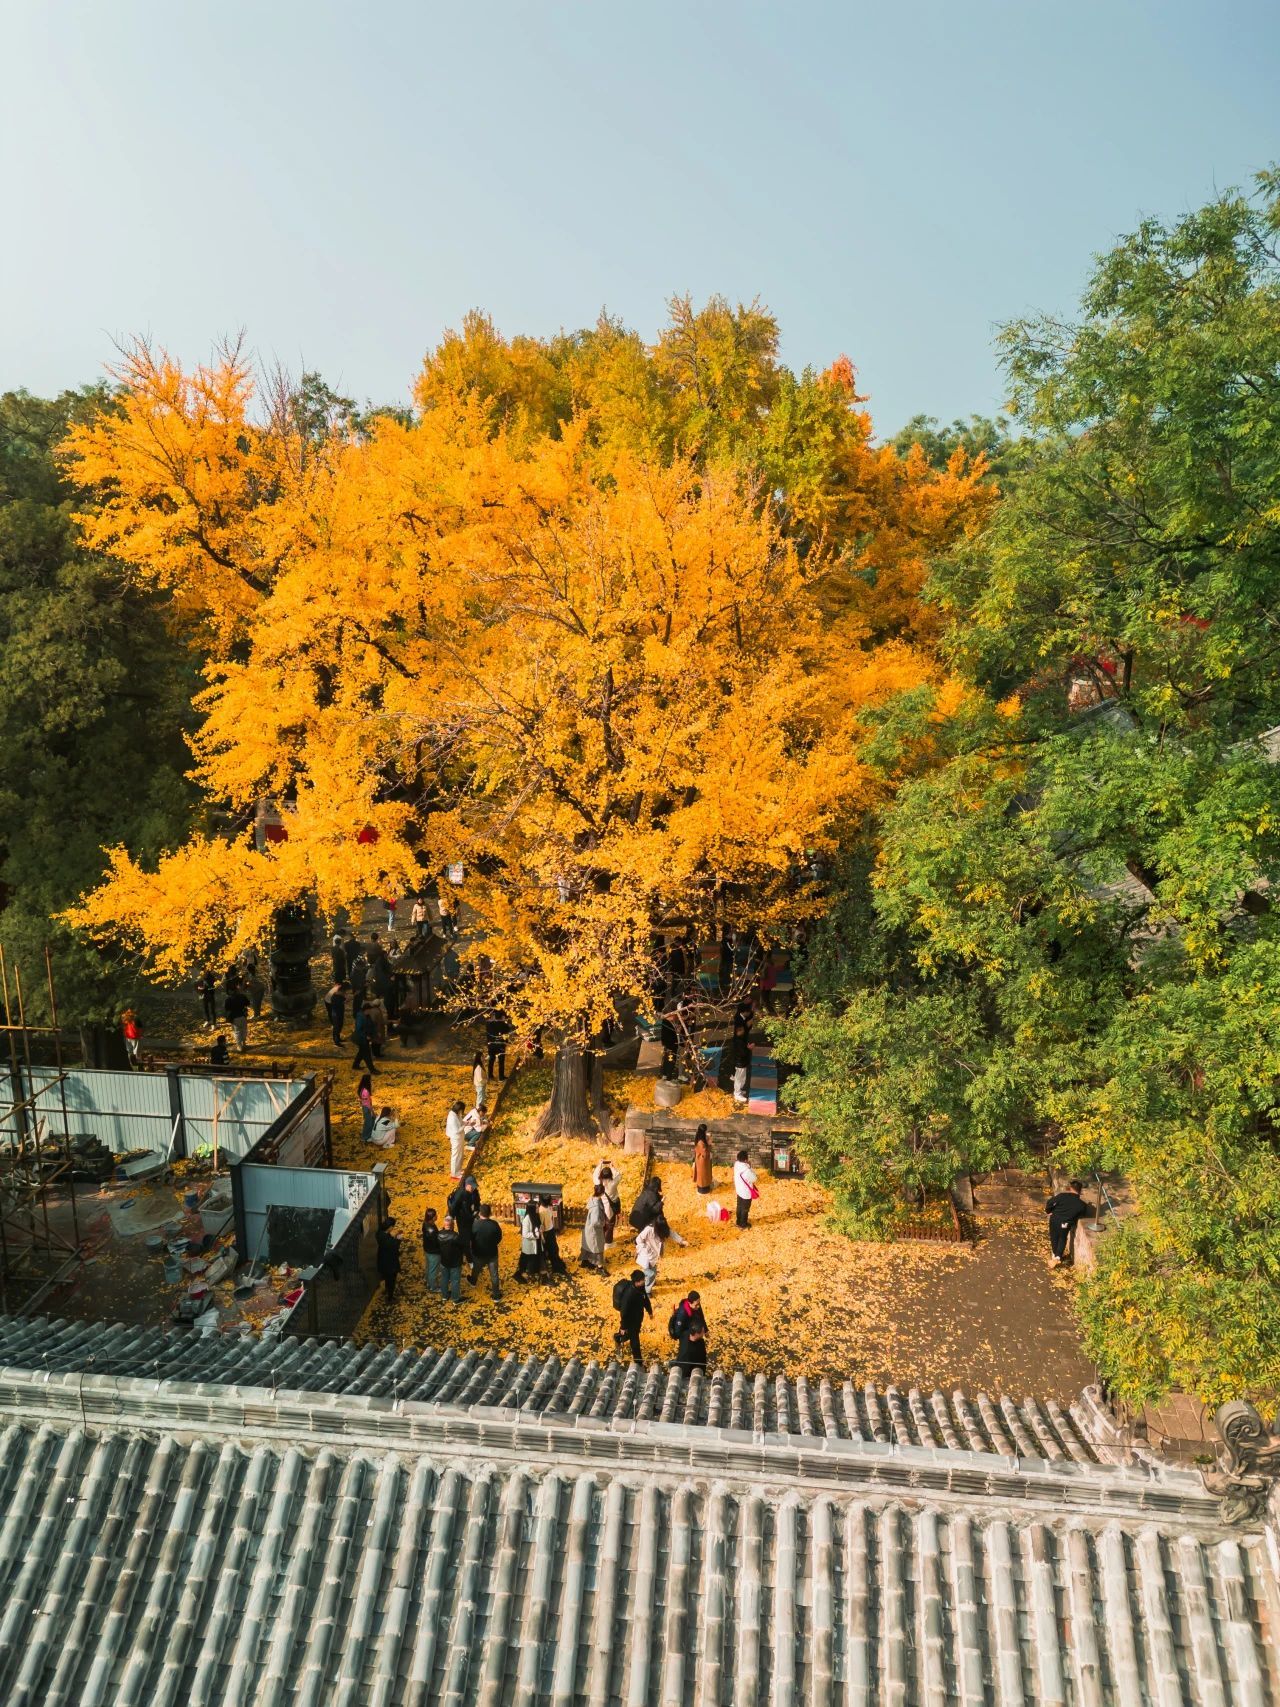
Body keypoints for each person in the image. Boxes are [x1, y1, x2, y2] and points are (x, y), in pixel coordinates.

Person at [1045, 1180, 1092, 1266]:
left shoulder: (1062, 1196)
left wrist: (1049, 1211)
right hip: (1065, 1223)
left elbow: (1050, 1202)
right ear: (1080, 1191)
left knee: (1054, 1237)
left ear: (1070, 1188)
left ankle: (1055, 1254)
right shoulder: (1082, 1205)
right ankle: (1058, 1256)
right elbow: (1081, 1214)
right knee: (1062, 1238)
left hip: (1055, 1219)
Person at [612, 1269, 652, 1363]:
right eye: (643, 1279)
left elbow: (645, 1298)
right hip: (630, 1321)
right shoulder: (629, 1294)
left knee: (627, 1335)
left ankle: (618, 1338)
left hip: (637, 1318)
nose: (644, 1281)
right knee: (635, 1342)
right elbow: (624, 1312)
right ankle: (638, 1362)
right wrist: (623, 1326)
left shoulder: (640, 1287)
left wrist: (649, 1311)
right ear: (637, 1282)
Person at [470, 1202, 503, 1298]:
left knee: (476, 1269)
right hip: (492, 1254)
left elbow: (472, 1238)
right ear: (490, 1213)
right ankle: (496, 1295)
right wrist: (493, 1244)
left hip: (478, 1253)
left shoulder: (475, 1225)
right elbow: (499, 1237)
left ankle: (473, 1281)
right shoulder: (494, 1224)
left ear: (480, 1213)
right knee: (494, 1275)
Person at [448, 1174, 480, 1261]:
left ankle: (468, 1252)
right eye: (472, 1186)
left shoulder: (475, 1192)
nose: (473, 1188)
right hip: (462, 1220)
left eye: (474, 1186)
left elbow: (477, 1202)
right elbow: (453, 1207)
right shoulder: (460, 1193)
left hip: (471, 1218)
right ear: (467, 1185)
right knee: (465, 1238)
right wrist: (451, 1217)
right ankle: (468, 1259)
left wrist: (477, 1210)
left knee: (472, 1235)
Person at [580, 1183, 609, 1272]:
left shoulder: (592, 1199)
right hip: (594, 1231)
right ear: (602, 1193)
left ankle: (585, 1261)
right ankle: (600, 1267)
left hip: (588, 1229)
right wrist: (603, 1223)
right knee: (597, 1247)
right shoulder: (596, 1206)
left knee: (588, 1245)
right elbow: (595, 1222)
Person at [437, 1215, 465, 1301]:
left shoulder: (439, 1234)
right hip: (455, 1262)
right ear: (453, 1225)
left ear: (444, 1224)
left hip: (444, 1261)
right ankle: (456, 1299)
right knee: (455, 1280)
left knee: (444, 1278)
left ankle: (444, 1296)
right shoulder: (456, 1236)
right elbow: (462, 1247)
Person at [593, 1161, 621, 1241]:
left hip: (601, 1207)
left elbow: (595, 1174)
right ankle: (608, 1242)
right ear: (610, 1175)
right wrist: (612, 1166)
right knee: (609, 1225)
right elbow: (619, 1175)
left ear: (601, 1175)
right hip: (610, 1208)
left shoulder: (598, 1182)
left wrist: (600, 1164)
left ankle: (600, 1239)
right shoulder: (613, 1183)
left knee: (601, 1223)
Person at [375, 1218, 402, 1303]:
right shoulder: (386, 1239)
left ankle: (387, 1290)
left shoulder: (379, 1234)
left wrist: (394, 1236)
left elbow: (387, 1240)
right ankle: (390, 1298)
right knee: (391, 1280)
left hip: (383, 1261)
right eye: (393, 1227)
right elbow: (393, 1246)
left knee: (387, 1278)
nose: (393, 1228)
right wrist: (398, 1239)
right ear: (390, 1227)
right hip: (390, 1263)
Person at [516, 1201, 542, 1282]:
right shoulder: (527, 1219)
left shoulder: (535, 1215)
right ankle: (528, 1272)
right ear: (532, 1209)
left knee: (534, 1257)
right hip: (530, 1243)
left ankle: (533, 1271)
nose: (538, 1208)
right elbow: (525, 1234)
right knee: (529, 1258)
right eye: (537, 1207)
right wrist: (537, 1234)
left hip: (536, 1242)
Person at [539, 1195, 566, 1275]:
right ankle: (556, 1267)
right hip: (547, 1233)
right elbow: (541, 1226)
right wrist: (543, 1237)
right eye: (550, 1200)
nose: (552, 1201)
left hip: (551, 1230)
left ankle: (556, 1265)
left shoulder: (547, 1207)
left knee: (555, 1249)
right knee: (552, 1250)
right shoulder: (542, 1211)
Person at [635, 1219, 662, 1295]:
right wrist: (647, 1249)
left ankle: (647, 1284)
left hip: (652, 1257)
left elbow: (671, 1232)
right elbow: (638, 1240)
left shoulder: (658, 1229)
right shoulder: (649, 1229)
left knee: (652, 1271)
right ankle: (647, 1290)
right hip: (647, 1257)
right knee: (651, 1273)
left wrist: (681, 1241)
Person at [734, 1149, 758, 1229]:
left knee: (739, 1206)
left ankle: (738, 1221)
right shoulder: (747, 1171)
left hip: (739, 1190)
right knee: (745, 1209)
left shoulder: (736, 1164)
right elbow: (754, 1178)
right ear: (745, 1160)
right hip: (745, 1193)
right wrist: (750, 1167)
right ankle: (743, 1224)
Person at [421, 1207, 441, 1294]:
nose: (437, 1216)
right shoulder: (432, 1230)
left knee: (429, 1267)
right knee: (433, 1270)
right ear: (433, 1217)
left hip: (427, 1250)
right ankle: (433, 1287)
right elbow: (436, 1242)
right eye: (435, 1215)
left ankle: (429, 1283)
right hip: (434, 1252)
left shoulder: (425, 1224)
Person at [352, 1006, 377, 1074]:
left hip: (365, 1037)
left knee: (361, 1052)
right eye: (369, 1010)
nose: (370, 1012)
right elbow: (358, 1029)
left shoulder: (367, 1016)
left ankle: (355, 1065)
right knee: (367, 1054)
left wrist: (373, 1033)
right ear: (366, 1010)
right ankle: (372, 1070)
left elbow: (371, 1025)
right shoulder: (360, 1017)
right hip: (361, 1038)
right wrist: (365, 1036)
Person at [224, 985, 250, 1052]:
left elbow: (227, 1008)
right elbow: (248, 1003)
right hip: (243, 1016)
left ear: (230, 991)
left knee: (237, 1032)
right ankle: (244, 1043)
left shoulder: (228, 999)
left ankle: (239, 1046)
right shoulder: (242, 996)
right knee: (244, 1030)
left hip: (234, 1017)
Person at [446, 1100, 467, 1179]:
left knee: (460, 1154)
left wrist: (465, 1123)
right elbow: (457, 1130)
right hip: (456, 1138)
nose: (462, 1112)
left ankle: (459, 1170)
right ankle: (454, 1174)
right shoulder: (452, 1117)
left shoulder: (456, 1114)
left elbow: (461, 1122)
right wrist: (465, 1125)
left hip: (460, 1137)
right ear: (459, 1109)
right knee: (456, 1155)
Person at [730, 1033, 752, 1106]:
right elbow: (742, 1053)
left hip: (742, 1062)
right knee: (739, 1079)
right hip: (740, 1063)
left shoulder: (741, 1040)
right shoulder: (738, 1042)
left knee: (742, 1078)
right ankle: (737, 1094)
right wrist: (749, 1048)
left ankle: (739, 1090)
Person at [325, 979, 347, 1046]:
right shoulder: (334, 997)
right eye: (344, 992)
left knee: (340, 1025)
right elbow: (336, 1005)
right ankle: (336, 1041)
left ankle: (338, 1038)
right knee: (336, 1026)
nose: (345, 993)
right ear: (340, 991)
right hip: (335, 1013)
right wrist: (344, 1001)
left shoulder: (339, 994)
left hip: (339, 1013)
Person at [692, 1125, 714, 1194]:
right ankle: (703, 1189)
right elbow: (705, 1153)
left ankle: (703, 1188)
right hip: (702, 1162)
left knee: (702, 1175)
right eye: (705, 1131)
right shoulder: (701, 1142)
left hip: (700, 1160)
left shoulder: (699, 1137)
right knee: (703, 1176)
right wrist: (709, 1145)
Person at [486, 1016, 508, 1080]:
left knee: (491, 1060)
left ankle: (490, 1075)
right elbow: (506, 1032)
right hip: (500, 1045)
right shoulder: (502, 1024)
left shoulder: (488, 1024)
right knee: (501, 1061)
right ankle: (501, 1076)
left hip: (491, 1045)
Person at [357, 1075, 375, 1144]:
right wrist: (372, 1110)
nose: (371, 1081)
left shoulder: (362, 1089)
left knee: (369, 1121)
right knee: (368, 1123)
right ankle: (365, 1137)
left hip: (366, 1107)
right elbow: (367, 1103)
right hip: (366, 1108)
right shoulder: (365, 1091)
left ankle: (367, 1136)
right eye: (370, 1080)